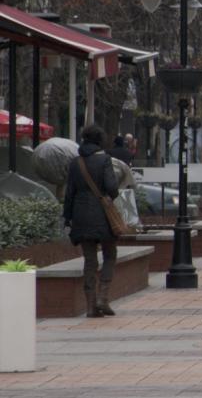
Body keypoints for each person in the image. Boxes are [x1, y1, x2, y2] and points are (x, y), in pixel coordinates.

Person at [64, 125, 120, 317]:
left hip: (80, 215)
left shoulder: (75, 163)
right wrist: (112, 195)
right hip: (102, 216)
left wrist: (68, 218)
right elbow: (112, 187)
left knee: (89, 260)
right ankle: (102, 299)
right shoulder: (104, 160)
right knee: (110, 254)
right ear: (99, 140)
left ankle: (90, 307)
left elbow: (69, 193)